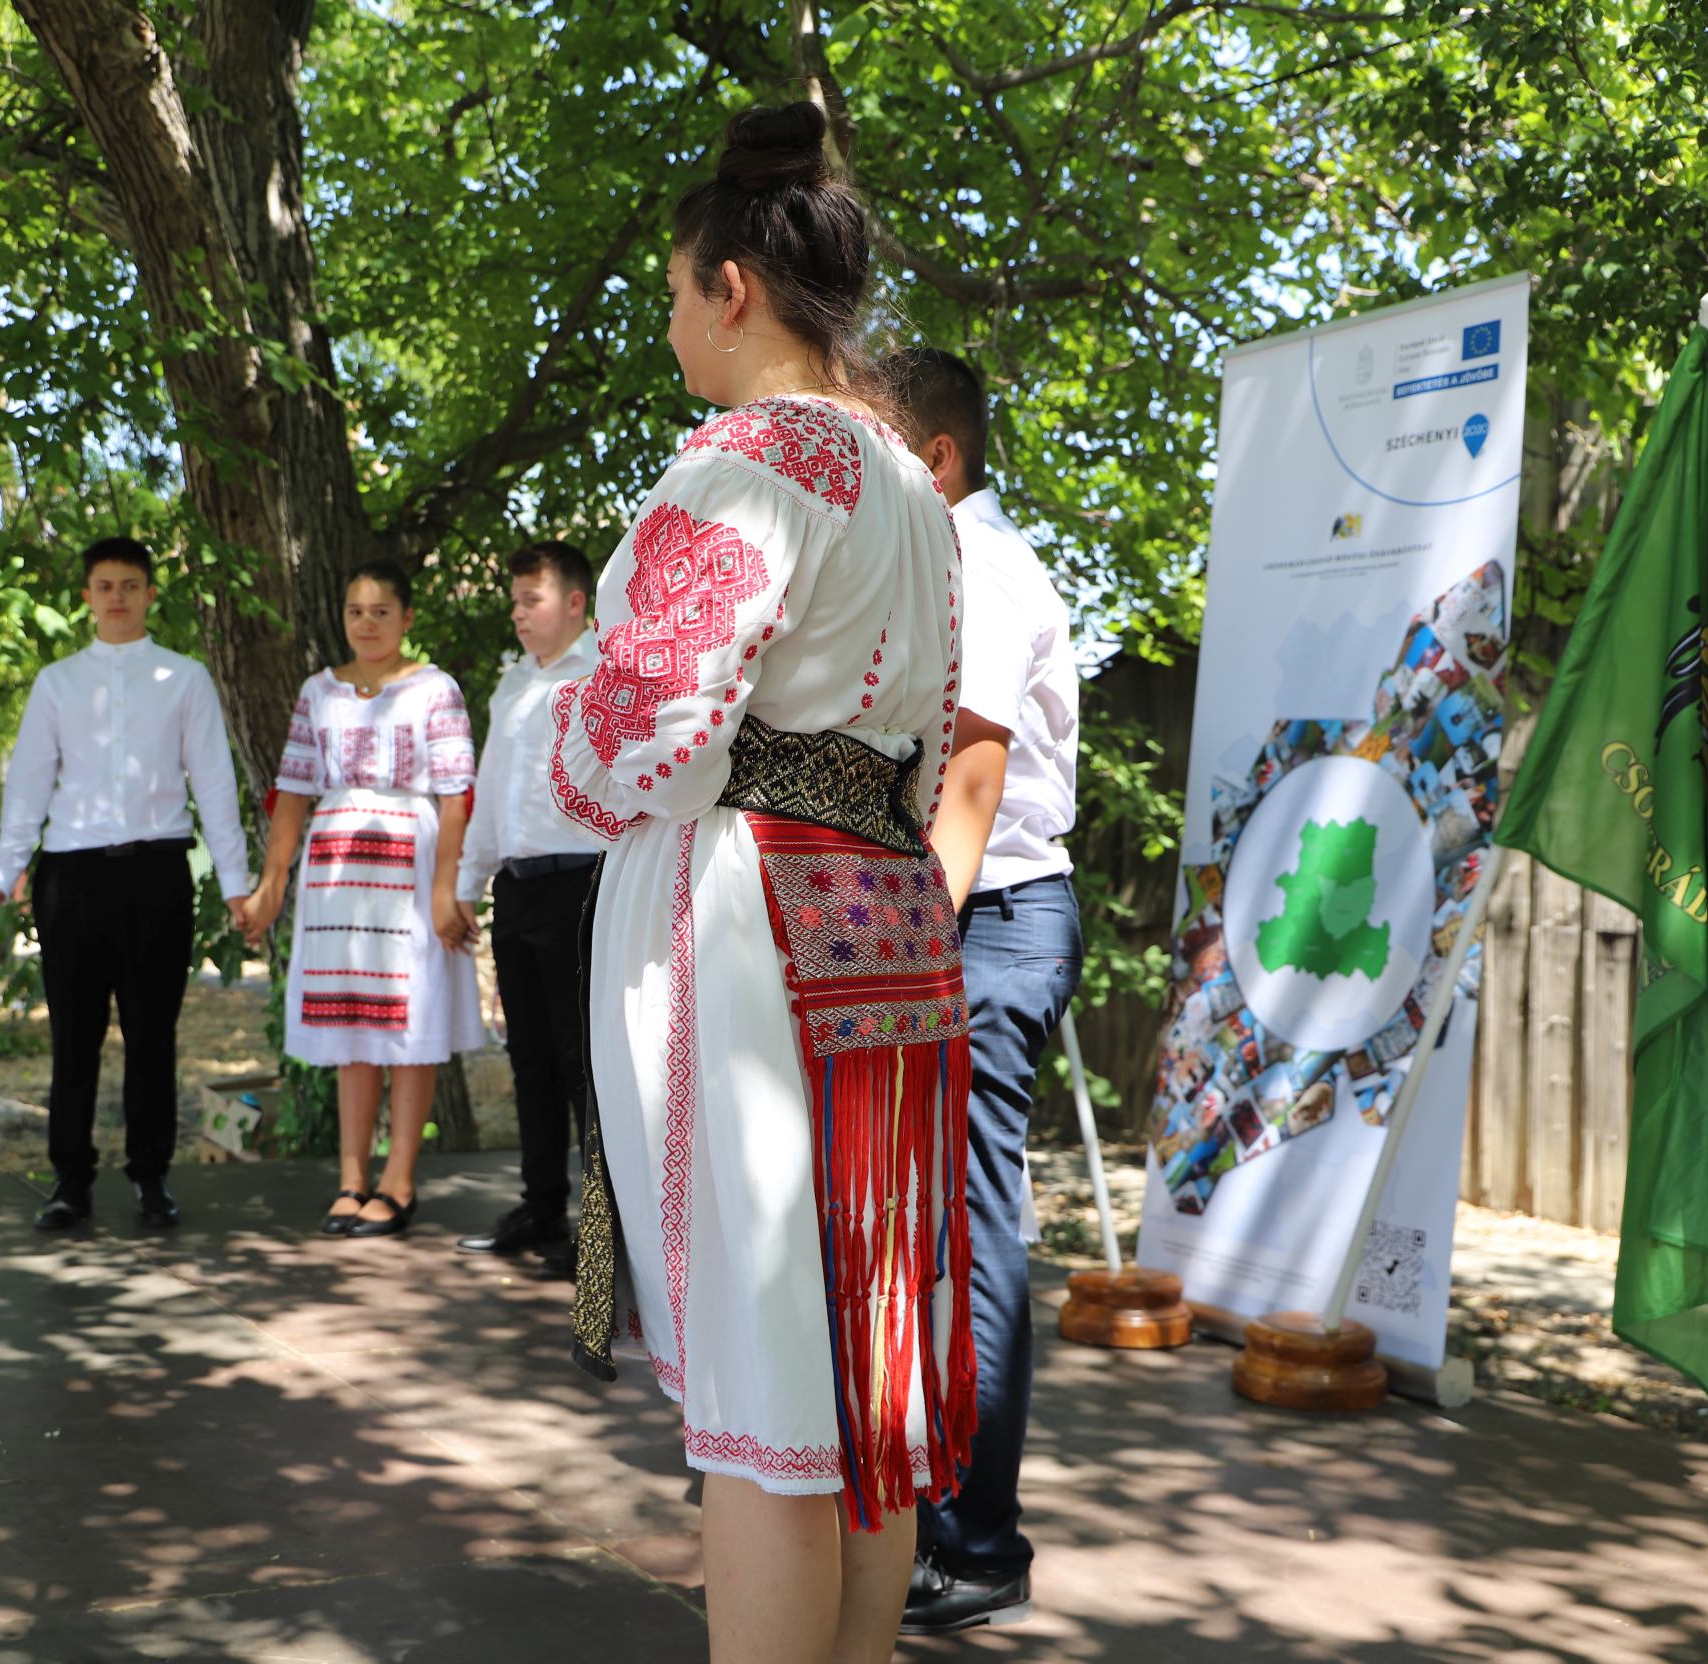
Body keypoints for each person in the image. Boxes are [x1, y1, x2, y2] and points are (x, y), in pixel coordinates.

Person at [549, 103, 974, 1664]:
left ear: (732, 288)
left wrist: (583, 716)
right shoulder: (915, 491)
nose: (672, 330)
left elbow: (638, 740)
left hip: (749, 931)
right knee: (855, 1363)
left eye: (674, 296)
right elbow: (925, 748)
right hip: (884, 913)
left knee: (761, 1399)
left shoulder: (740, 463)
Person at [879, 347, 1081, 1635]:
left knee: (969, 1223)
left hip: (988, 917)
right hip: (960, 916)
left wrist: (907, 939)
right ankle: (922, 1504)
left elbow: (970, 782)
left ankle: (980, 1541)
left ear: (937, 460)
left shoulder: (983, 569)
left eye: (884, 455)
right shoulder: (934, 566)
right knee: (930, 1224)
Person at [0, 536, 253, 1232]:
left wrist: (238, 882)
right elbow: (28, 783)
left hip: (157, 869)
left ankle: (151, 1178)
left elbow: (214, 781)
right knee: (74, 1034)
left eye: (130, 584)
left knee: (154, 1034)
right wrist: (4, 876)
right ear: (87, 597)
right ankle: (70, 1179)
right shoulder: (58, 682)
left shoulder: (184, 678)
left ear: (151, 593)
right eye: (104, 585)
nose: (117, 596)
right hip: (73, 876)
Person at [239, 561, 484, 1239]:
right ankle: (351, 1177)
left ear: (406, 619)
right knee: (353, 1024)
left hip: (409, 856)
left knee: (408, 1021)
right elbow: (292, 790)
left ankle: (399, 1181)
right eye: (355, 611)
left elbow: (457, 792)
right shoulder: (318, 691)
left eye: (381, 611)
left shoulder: (435, 688)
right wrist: (271, 885)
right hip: (338, 866)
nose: (366, 623)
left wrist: (446, 889)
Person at [453, 541, 602, 1278]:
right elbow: (492, 786)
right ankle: (540, 1205)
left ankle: (601, 1233)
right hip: (516, 886)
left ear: (575, 603)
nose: (517, 613)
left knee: (582, 1059)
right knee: (530, 1057)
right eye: (513, 601)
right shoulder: (512, 684)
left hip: (580, 883)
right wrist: (465, 881)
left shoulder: (605, 671)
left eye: (531, 600)